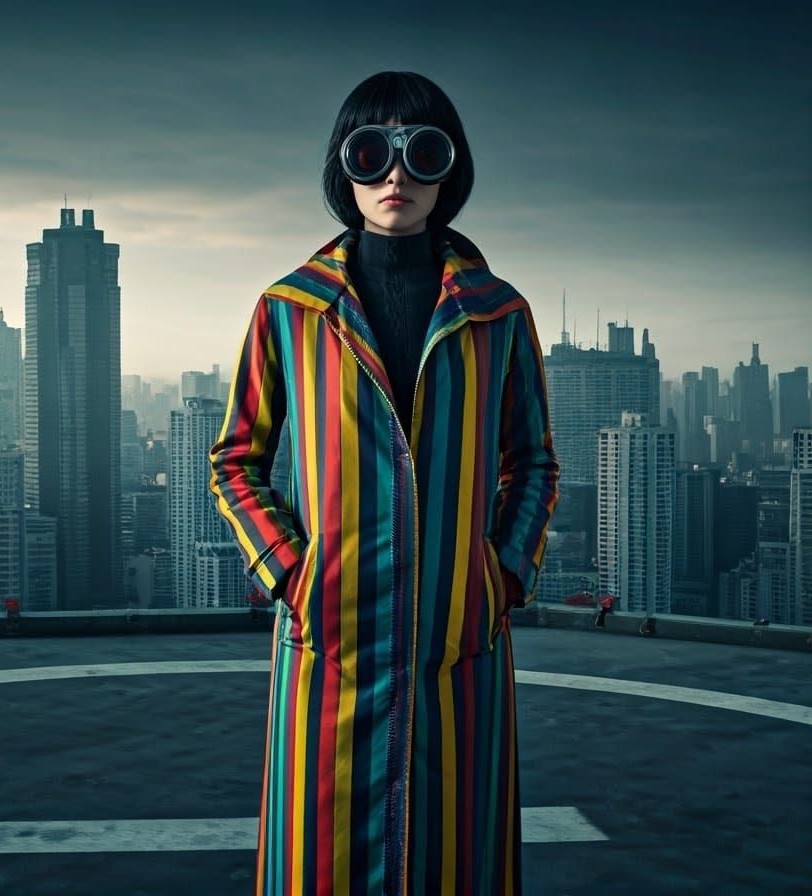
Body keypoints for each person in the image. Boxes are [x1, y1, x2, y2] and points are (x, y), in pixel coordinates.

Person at [208, 70, 560, 895]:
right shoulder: (289, 311)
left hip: (458, 646)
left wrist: (500, 575)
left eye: (421, 152)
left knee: (458, 859)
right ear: (345, 170)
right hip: (329, 646)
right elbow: (236, 457)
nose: (396, 176)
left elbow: (533, 459)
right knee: (317, 861)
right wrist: (291, 574)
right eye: (372, 153)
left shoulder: (498, 314)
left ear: (450, 169)